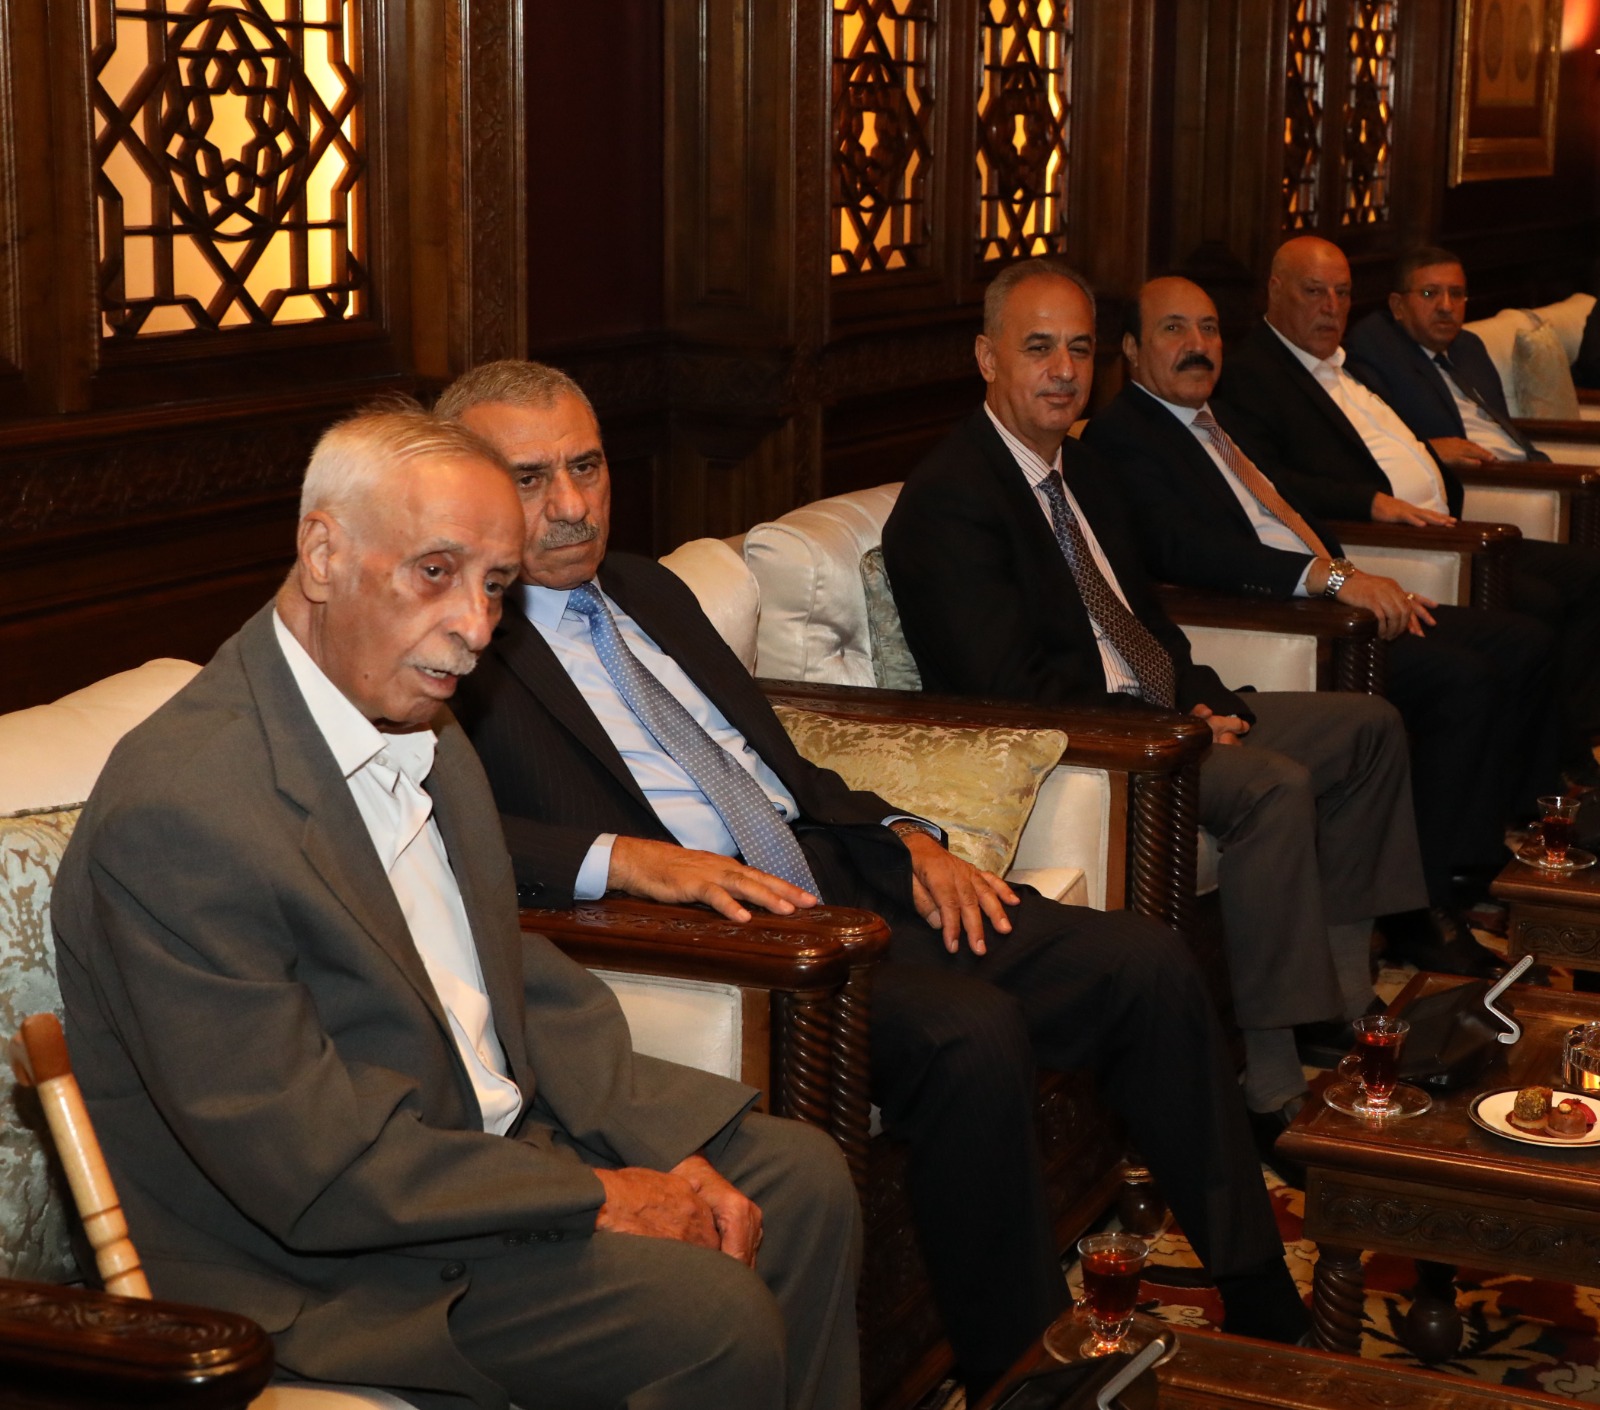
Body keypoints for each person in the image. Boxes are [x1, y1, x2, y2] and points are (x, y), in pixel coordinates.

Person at [437, 360, 1310, 1398]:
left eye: (585, 467)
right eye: (530, 478)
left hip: (839, 868)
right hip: (734, 943)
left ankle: (1263, 1295)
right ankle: (1024, 1375)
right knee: (967, 1033)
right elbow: (435, 822)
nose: (572, 505)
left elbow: (776, 765)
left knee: (1141, 962)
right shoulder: (457, 638)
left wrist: (907, 836)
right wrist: (620, 858)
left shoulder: (646, 589)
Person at [53, 408, 861, 1410]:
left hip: (478, 1157)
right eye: (435, 571)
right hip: (329, 1260)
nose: (476, 628)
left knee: (803, 1181)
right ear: (322, 553)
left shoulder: (419, 720)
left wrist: (657, 1145)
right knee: (708, 1318)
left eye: (496, 585)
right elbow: (311, 1162)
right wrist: (602, 1195)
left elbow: (506, 978)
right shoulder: (183, 809)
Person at [882, 258, 1427, 1136]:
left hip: (1163, 712)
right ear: (987, 358)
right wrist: (1174, 729)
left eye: (1079, 349)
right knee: (1272, 785)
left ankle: (1343, 1003)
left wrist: (1205, 701)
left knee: (1367, 729)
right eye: (1038, 348)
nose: (1064, 370)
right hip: (1093, 747)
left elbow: (1147, 623)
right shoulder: (950, 499)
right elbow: (1007, 691)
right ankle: (1271, 1084)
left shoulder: (1085, 472)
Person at [1084, 275, 1558, 974]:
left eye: (1209, 328)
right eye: (1173, 329)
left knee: (1522, 643)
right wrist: (1330, 579)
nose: (1197, 344)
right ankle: (1422, 909)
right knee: (1462, 680)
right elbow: (1183, 550)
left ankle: (1479, 863)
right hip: (1284, 617)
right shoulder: (1122, 435)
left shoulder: (1217, 420)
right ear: (1130, 349)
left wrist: (1355, 572)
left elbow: (1287, 502)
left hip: (1329, 599)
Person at [1214, 236, 1600, 786]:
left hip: (1447, 524)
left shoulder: (1346, 366)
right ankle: (1555, 779)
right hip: (1399, 545)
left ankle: (1573, 754)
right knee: (1533, 615)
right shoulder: (1252, 373)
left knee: (1585, 573)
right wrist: (1371, 501)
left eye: (1342, 293)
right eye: (1314, 291)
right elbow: (1270, 483)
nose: (1331, 307)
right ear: (1275, 291)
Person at [1344, 247, 1549, 469]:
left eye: (1456, 294)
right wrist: (1428, 450)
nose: (1446, 306)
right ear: (1398, 306)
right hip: (1477, 477)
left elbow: (1504, 425)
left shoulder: (1469, 347)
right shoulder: (1378, 346)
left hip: (1527, 468)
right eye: (1429, 294)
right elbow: (1371, 442)